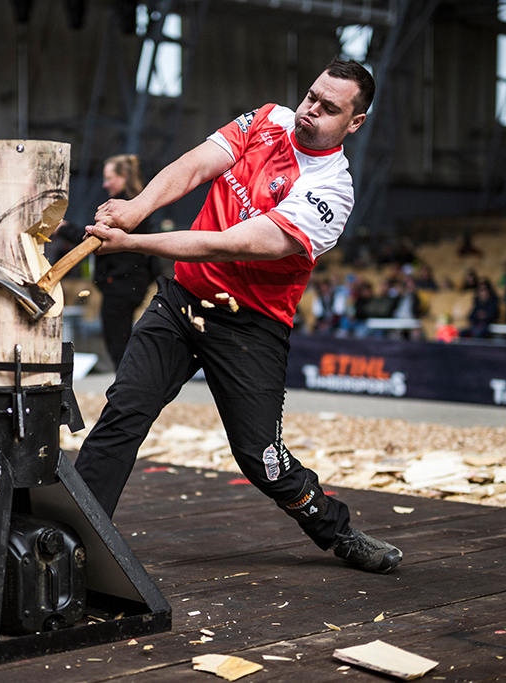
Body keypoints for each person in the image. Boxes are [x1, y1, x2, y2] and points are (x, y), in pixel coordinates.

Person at [74, 58, 402, 574]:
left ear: (354, 123)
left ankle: (336, 531)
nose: (311, 110)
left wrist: (134, 241)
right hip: (182, 301)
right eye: (311, 96)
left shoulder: (332, 193)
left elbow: (230, 244)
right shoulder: (268, 118)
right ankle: (73, 542)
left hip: (250, 326)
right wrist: (136, 207)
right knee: (123, 413)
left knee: (261, 458)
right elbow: (195, 165)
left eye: (329, 108)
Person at [58, 154, 159, 369]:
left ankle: (128, 383)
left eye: (109, 178)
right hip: (133, 283)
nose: (104, 184)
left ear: (123, 177)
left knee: (118, 345)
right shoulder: (139, 205)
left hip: (120, 284)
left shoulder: (121, 209)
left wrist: (64, 229)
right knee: (123, 340)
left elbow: (96, 238)